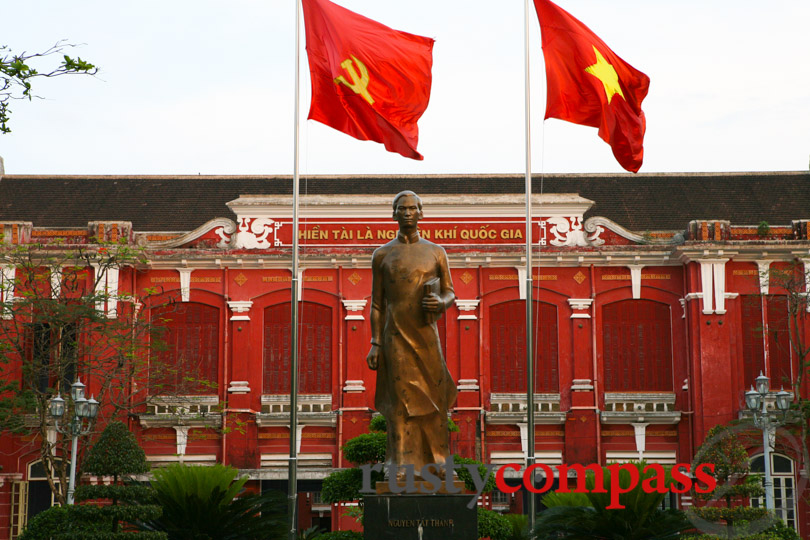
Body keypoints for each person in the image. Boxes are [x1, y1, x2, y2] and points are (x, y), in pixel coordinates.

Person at [366, 191, 457, 478]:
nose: (407, 213)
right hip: (395, 336)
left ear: (421, 213)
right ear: (393, 214)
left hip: (426, 335)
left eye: (412, 208)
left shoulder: (436, 252)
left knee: (435, 397)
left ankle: (439, 462)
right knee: (400, 402)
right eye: (401, 209)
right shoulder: (382, 255)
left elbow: (450, 292)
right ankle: (402, 465)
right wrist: (375, 343)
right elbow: (377, 303)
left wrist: (441, 302)